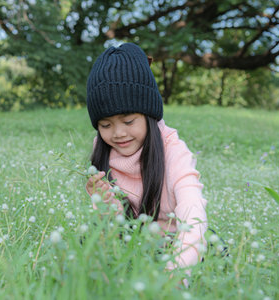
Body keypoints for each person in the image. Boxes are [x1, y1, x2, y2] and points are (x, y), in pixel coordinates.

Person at [84, 43, 208, 284]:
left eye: (128, 121)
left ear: (149, 115)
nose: (118, 133)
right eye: (105, 125)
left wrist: (174, 275)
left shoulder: (172, 149)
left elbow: (193, 213)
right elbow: (112, 230)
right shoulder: (102, 148)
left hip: (176, 243)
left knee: (210, 245)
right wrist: (103, 204)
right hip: (131, 243)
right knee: (85, 244)